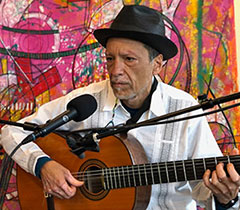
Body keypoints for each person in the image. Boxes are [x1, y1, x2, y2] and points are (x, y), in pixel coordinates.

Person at [1, 4, 240, 210]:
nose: (116, 71)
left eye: (129, 59)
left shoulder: (185, 109)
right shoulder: (86, 101)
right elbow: (11, 132)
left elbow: (204, 189)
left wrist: (225, 197)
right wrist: (44, 165)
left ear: (157, 64)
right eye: (110, 58)